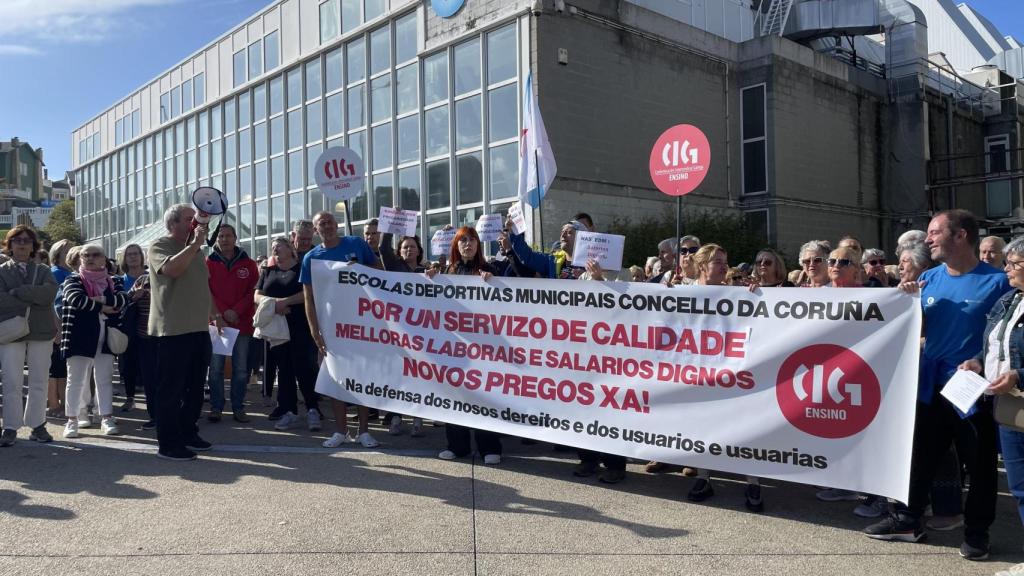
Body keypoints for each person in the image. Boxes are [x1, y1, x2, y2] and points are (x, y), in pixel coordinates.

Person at [865, 210, 1010, 561]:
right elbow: (918, 329)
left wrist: (978, 358)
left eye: (934, 232)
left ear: (960, 236)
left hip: (973, 392)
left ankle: (977, 534)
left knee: (979, 466)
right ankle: (907, 519)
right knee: (919, 457)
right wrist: (905, 303)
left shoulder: (998, 282)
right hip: (930, 388)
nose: (927, 239)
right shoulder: (928, 278)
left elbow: (1004, 337)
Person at [508, 218, 626, 483]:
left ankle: (615, 464)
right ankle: (588, 459)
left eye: (570, 231)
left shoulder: (602, 262)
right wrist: (515, 231)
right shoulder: (554, 262)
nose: (563, 233)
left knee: (605, 406)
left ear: (584, 237)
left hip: (599, 347)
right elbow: (525, 256)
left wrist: (599, 280)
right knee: (579, 405)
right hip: (568, 349)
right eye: (562, 230)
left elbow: (623, 298)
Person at [960, 236, 1024, 574]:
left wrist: (1019, 375)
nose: (1008, 270)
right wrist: (977, 363)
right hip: (1008, 407)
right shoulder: (1008, 300)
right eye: (1009, 263)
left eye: (1015, 264)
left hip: (1018, 396)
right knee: (1020, 487)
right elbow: (995, 345)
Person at [683, 244, 763, 512]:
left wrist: (756, 296)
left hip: (732, 371)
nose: (723, 266)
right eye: (717, 261)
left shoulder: (738, 293)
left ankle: (753, 482)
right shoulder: (684, 291)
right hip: (697, 371)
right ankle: (704, 478)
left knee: (742, 428)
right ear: (702, 264)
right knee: (705, 426)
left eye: (725, 261)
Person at [301, 210, 380, 448]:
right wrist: (315, 331)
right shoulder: (311, 258)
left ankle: (364, 431)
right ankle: (341, 430)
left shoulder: (355, 243)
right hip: (332, 327)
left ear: (337, 225)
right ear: (316, 230)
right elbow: (309, 298)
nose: (326, 226)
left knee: (362, 376)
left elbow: (379, 273)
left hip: (361, 323)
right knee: (336, 380)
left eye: (329, 222)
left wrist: (359, 272)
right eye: (321, 224)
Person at [148, 204, 219, 461]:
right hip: (172, 330)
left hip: (199, 328)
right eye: (190, 219)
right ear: (173, 224)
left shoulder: (196, 251)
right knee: (171, 389)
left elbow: (203, 286)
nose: (196, 223)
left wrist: (216, 314)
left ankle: (188, 432)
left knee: (195, 388)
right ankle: (168, 443)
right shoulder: (160, 246)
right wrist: (195, 244)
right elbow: (173, 270)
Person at [429, 227, 502, 464]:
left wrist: (495, 283)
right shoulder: (448, 271)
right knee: (456, 396)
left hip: (484, 347)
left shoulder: (489, 270)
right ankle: (457, 446)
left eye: (471, 240)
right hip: (455, 347)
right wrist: (430, 278)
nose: (467, 245)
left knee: (485, 396)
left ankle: (489, 447)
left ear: (478, 245)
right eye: (463, 241)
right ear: (456, 246)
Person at [61, 244, 128, 438]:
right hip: (78, 336)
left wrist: (97, 304)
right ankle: (72, 420)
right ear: (80, 259)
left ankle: (106, 417)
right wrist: (104, 306)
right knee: (76, 380)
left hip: (107, 337)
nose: (90, 258)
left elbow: (123, 300)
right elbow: (75, 299)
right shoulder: (72, 279)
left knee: (105, 378)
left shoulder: (114, 280)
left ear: (104, 258)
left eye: (95, 255)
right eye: (85, 255)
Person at [0, 226, 58, 446]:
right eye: (17, 240)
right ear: (10, 244)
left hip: (40, 330)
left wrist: (18, 292)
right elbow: (0, 300)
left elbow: (49, 294)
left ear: (34, 246)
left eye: (27, 240)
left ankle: (37, 424)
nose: (22, 244)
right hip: (11, 331)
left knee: (39, 380)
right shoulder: (2, 270)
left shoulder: (43, 270)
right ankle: (10, 427)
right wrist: (32, 297)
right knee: (11, 380)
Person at [257, 237, 321, 432]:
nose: (275, 250)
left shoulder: (302, 268)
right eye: (272, 248)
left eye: (279, 246)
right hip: (277, 330)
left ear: (290, 249)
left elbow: (308, 293)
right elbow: (256, 295)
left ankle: (313, 409)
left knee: (305, 369)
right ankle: (289, 411)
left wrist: (285, 302)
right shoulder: (268, 271)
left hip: (301, 327)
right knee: (284, 371)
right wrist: (273, 305)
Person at [205, 225, 259, 423]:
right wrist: (220, 312)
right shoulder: (208, 262)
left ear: (236, 238)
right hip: (218, 322)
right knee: (216, 368)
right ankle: (216, 406)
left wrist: (236, 311)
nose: (224, 239)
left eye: (228, 235)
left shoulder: (249, 264)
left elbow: (253, 292)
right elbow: (207, 290)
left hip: (241, 322)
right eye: (221, 236)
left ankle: (238, 407)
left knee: (241, 369)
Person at [379, 231, 428, 436]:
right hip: (398, 331)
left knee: (419, 376)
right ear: (399, 251)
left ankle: (418, 419)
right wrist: (390, 225)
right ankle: (397, 418)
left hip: (421, 331)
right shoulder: (394, 267)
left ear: (419, 251)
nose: (409, 250)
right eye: (405, 247)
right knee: (399, 376)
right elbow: (382, 248)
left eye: (412, 247)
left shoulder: (427, 272)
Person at [47, 238, 76, 417]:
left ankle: (61, 404)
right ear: (57, 256)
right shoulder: (57, 273)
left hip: (66, 327)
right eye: (67, 252)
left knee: (60, 368)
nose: (72, 255)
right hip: (58, 328)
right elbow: (52, 305)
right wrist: (57, 329)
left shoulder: (67, 273)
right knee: (56, 369)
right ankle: (55, 405)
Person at [116, 243, 147, 412]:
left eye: (136, 253)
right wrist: (133, 297)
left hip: (148, 325)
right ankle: (130, 397)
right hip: (127, 327)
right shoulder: (119, 281)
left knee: (149, 363)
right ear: (124, 259)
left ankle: (152, 398)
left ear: (142, 257)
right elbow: (117, 304)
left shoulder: (151, 276)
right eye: (129, 255)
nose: (133, 257)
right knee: (128, 364)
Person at [129, 272, 158, 430]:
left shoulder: (175, 276)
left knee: (171, 378)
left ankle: (174, 414)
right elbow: (127, 301)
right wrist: (135, 295)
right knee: (149, 379)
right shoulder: (143, 280)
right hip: (145, 337)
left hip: (170, 336)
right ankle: (154, 415)